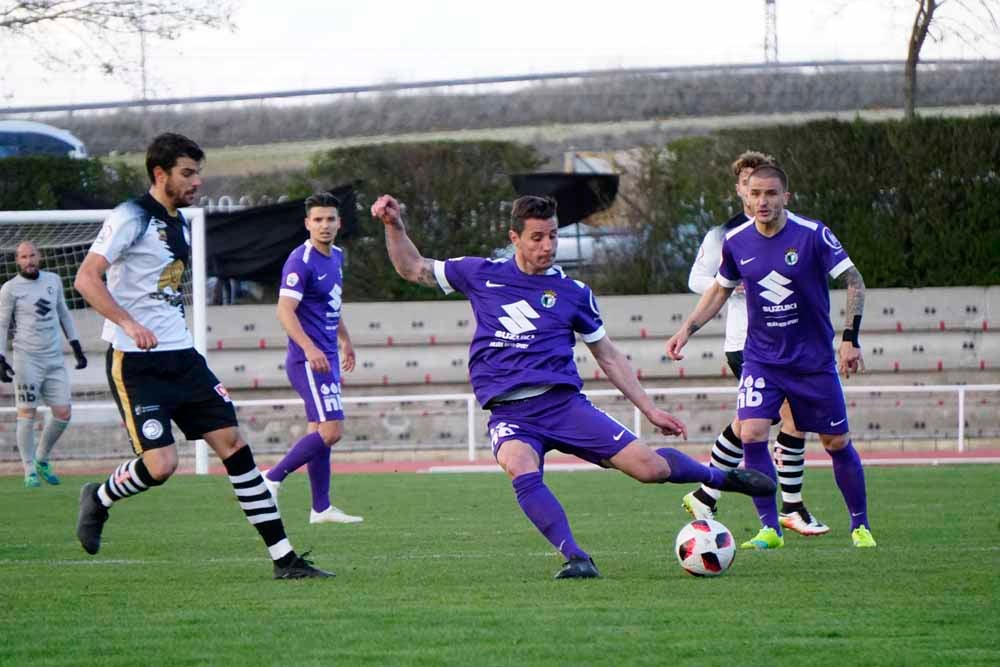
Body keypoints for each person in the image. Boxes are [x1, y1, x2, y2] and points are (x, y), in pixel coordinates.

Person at [372, 193, 775, 579]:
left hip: (563, 406)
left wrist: (649, 409)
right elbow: (413, 268)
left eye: (552, 236)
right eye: (537, 237)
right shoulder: (481, 274)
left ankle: (721, 478)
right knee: (519, 465)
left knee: (650, 470)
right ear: (514, 238)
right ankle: (576, 557)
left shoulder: (573, 293)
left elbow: (609, 356)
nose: (547, 246)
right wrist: (395, 225)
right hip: (511, 413)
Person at [72, 132, 331, 579]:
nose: (196, 182)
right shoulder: (130, 216)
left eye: (198, 173)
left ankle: (285, 560)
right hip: (136, 361)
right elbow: (86, 279)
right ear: (160, 174)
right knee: (162, 465)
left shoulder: (183, 221)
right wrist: (129, 322)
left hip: (183, 358)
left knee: (233, 445)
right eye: (187, 173)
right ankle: (98, 498)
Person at [666, 164, 875, 549]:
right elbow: (719, 290)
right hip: (762, 359)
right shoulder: (736, 241)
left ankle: (860, 526)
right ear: (744, 196)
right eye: (756, 194)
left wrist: (850, 338)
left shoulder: (813, 234)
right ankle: (769, 528)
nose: (763, 201)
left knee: (835, 442)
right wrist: (687, 329)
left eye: (771, 194)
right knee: (752, 433)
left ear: (786, 197)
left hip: (812, 360)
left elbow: (853, 280)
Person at [684, 151, 828, 536]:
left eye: (765, 187)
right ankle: (791, 507)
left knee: (746, 426)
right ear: (740, 190)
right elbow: (700, 280)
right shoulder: (725, 235)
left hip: (786, 342)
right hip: (748, 342)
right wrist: (734, 286)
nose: (758, 195)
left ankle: (706, 493)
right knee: (787, 421)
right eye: (749, 185)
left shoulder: (790, 231)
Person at [262, 193, 363, 525]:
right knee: (331, 431)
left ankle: (321, 509)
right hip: (309, 361)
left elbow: (330, 305)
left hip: (328, 358)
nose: (324, 225)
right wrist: (310, 348)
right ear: (307, 223)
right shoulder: (300, 261)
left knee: (319, 431)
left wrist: (345, 340)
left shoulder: (336, 256)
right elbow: (284, 311)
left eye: (330, 219)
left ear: (339, 223)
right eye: (317, 219)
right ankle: (271, 479)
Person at [0, 241, 87, 487]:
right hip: (26, 359)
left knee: (63, 412)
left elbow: (63, 312)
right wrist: (1, 358)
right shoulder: (10, 289)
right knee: (27, 413)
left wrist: (77, 345)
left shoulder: (53, 280)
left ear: (40, 256)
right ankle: (29, 469)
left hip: (54, 357)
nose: (29, 261)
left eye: (32, 255)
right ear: (17, 260)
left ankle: (41, 458)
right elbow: (2, 324)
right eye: (23, 257)